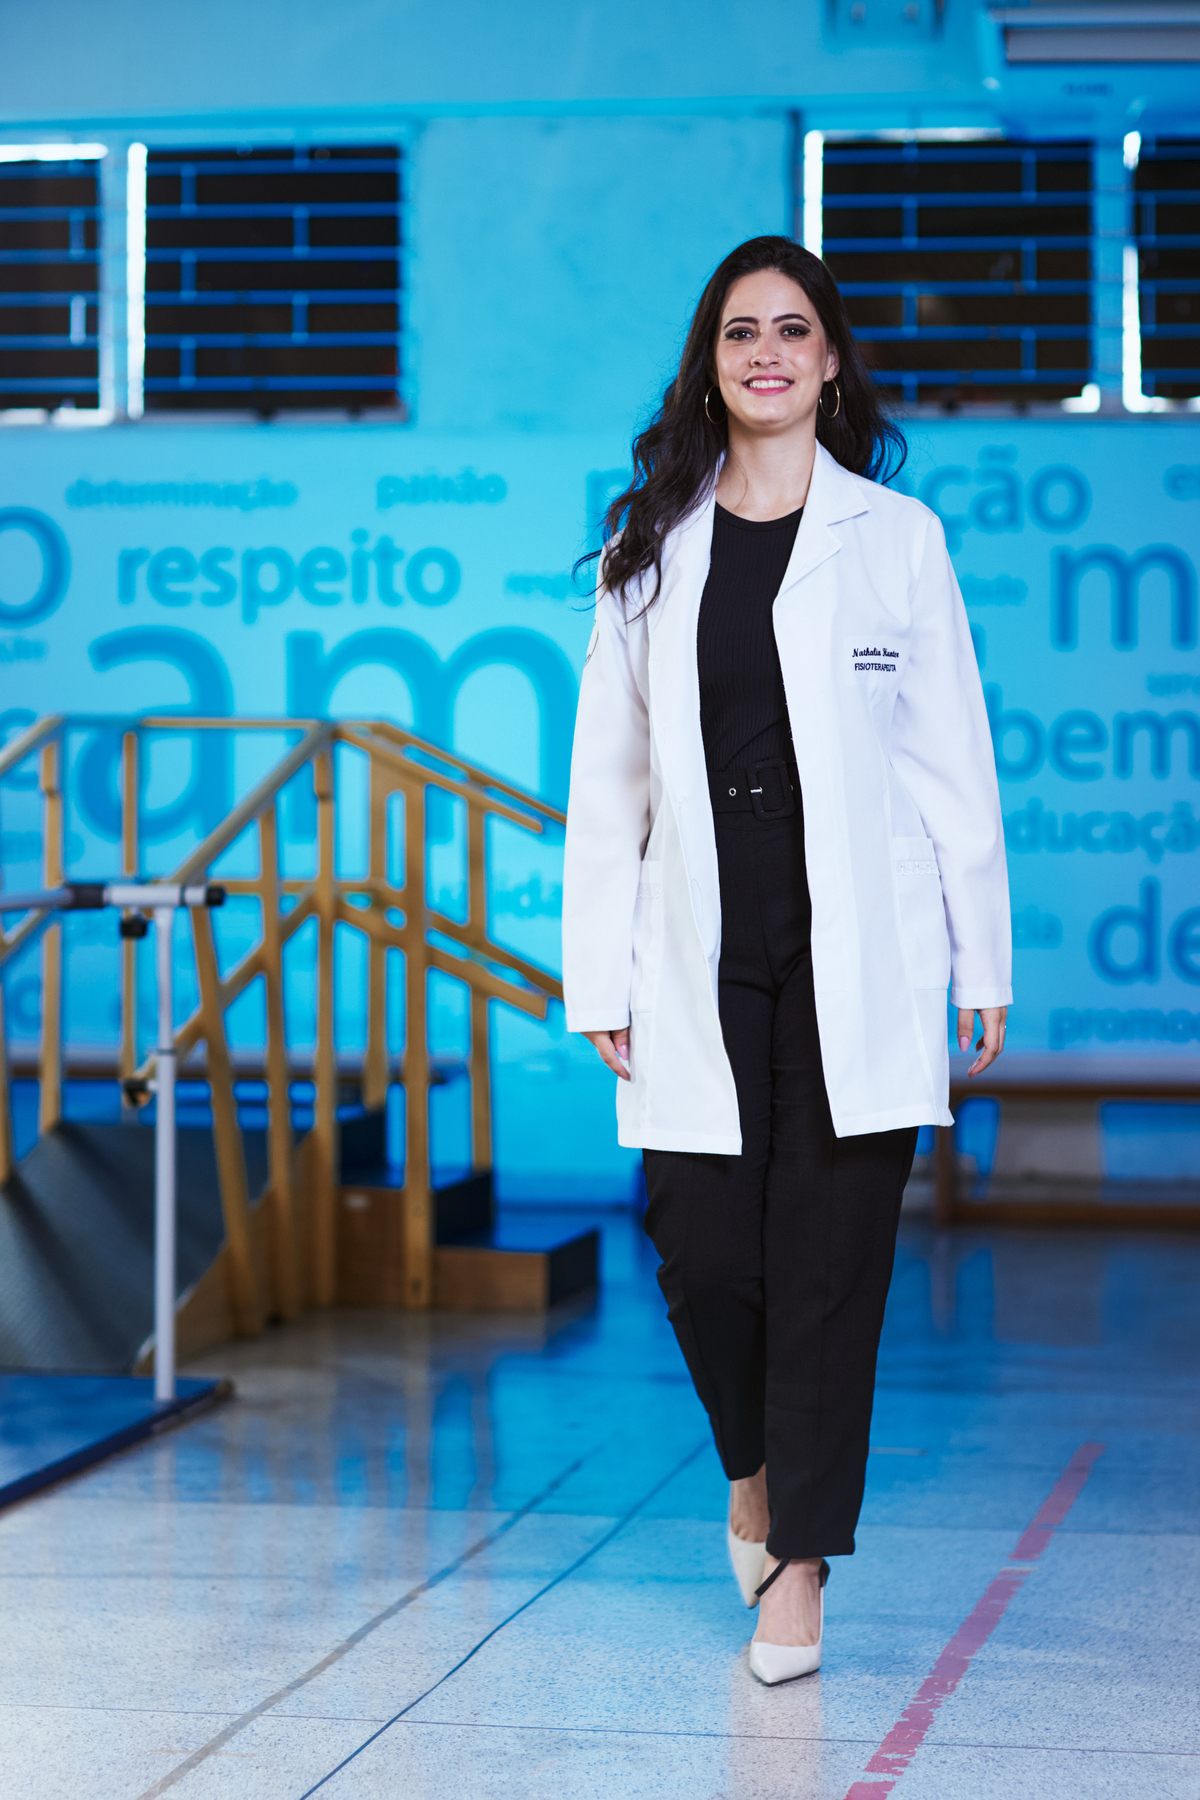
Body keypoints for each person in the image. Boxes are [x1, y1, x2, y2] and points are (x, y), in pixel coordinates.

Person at [561, 236, 1010, 1685]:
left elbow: (951, 759)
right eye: (741, 331)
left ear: (829, 362)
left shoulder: (897, 538)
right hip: (702, 932)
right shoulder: (648, 547)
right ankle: (752, 1474)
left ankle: (799, 1568)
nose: (767, 352)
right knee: (703, 1252)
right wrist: (598, 975)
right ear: (712, 365)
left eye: (793, 330)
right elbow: (609, 778)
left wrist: (980, 961)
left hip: (857, 941)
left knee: (828, 1264)